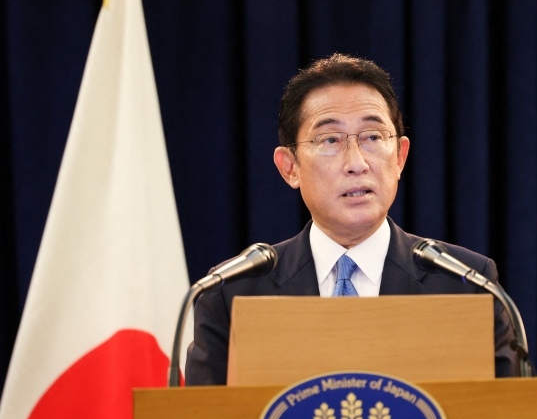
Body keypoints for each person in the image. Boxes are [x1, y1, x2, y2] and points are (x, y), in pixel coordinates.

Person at [185, 54, 519, 385]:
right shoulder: (232, 292)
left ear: (400, 157)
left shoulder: (467, 285)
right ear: (290, 167)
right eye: (330, 140)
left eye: (373, 137)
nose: (356, 163)